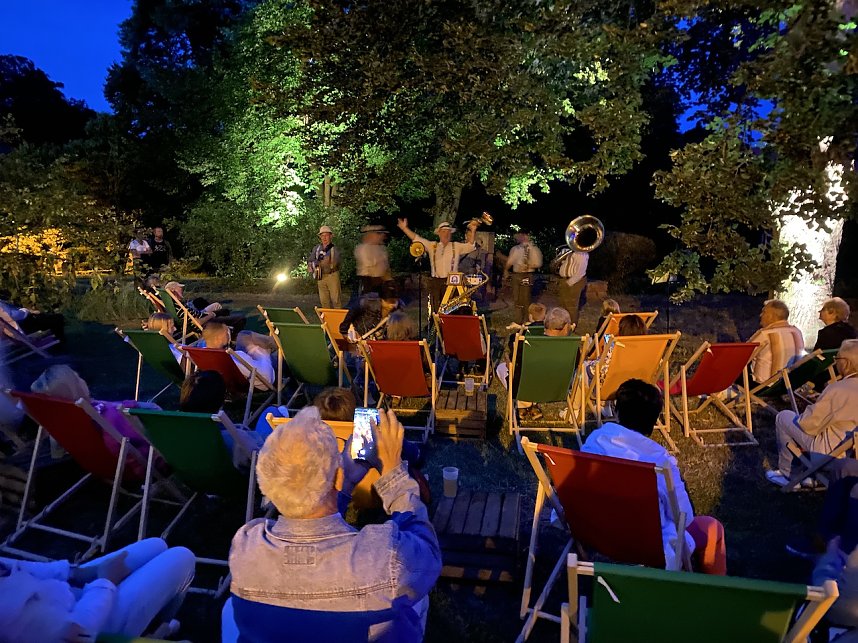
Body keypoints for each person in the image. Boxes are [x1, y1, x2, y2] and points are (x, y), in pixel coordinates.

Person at [226, 406, 441, 640]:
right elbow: (427, 550)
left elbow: (308, 514)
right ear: (336, 476)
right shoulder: (384, 558)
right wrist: (393, 475)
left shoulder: (245, 548)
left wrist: (345, 483)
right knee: (416, 596)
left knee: (229, 610)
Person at [582, 378, 727, 575]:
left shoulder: (593, 443)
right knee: (712, 527)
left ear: (617, 411)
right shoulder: (659, 462)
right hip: (645, 547)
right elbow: (684, 516)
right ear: (652, 422)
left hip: (595, 533)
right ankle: (713, 595)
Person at [0, 538, 194, 641]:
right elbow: (75, 635)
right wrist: (106, 580)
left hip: (65, 593)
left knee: (156, 545)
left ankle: (150, 616)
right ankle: (156, 630)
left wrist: (76, 572)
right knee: (183, 557)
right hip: (92, 628)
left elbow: (14, 567)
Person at [31, 365, 159, 474]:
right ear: (77, 388)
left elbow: (57, 453)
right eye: (77, 378)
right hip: (142, 467)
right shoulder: (109, 415)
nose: (82, 380)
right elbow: (143, 432)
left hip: (104, 469)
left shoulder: (64, 423)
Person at [766, 339, 858, 486]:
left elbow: (809, 425)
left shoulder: (838, 390)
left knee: (784, 417)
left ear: (846, 363)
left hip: (830, 456)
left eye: (837, 359)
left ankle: (788, 475)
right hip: (854, 457)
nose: (835, 363)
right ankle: (812, 477)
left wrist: (811, 410)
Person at [179, 370, 271, 464]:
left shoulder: (180, 437)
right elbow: (264, 463)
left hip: (209, 474)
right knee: (272, 411)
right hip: (257, 462)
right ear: (220, 402)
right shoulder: (235, 438)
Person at [397, 218, 478, 313]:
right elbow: (416, 238)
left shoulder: (456, 246)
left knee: (452, 308)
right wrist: (404, 228)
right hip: (436, 282)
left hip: (452, 283)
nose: (446, 234)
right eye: (443, 232)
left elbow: (470, 246)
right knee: (436, 307)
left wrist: (473, 230)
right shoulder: (432, 246)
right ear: (439, 233)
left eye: (448, 232)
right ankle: (436, 326)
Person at [200, 322, 275, 390]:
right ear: (218, 338)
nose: (229, 335)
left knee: (243, 335)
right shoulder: (234, 357)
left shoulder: (201, 354)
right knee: (249, 338)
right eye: (226, 333)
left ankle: (272, 342)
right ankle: (276, 342)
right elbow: (267, 377)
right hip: (262, 380)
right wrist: (263, 353)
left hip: (232, 380)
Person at [747, 299, 804, 385]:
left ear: (771, 316)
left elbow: (742, 357)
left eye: (764, 312)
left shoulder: (765, 334)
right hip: (791, 384)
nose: (761, 315)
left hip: (766, 386)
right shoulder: (796, 332)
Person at [164, 281, 246, 334]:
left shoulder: (172, 305)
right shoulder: (179, 308)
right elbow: (198, 322)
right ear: (173, 290)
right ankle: (231, 339)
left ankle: (225, 332)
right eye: (180, 288)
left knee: (223, 311)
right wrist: (211, 315)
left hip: (201, 317)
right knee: (240, 319)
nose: (182, 289)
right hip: (203, 323)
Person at [504, 232, 544, 324]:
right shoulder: (516, 249)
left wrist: (529, 265)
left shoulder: (534, 249)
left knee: (526, 298)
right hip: (516, 274)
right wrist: (506, 270)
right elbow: (510, 261)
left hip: (527, 274)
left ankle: (527, 319)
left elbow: (539, 263)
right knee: (516, 298)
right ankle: (518, 320)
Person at [0, 297, 65, 342]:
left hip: (10, 336)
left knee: (44, 317)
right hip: (21, 332)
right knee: (57, 318)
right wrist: (28, 311)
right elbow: (17, 315)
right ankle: (61, 344)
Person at [309, 225, 342, 309]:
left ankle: (338, 320)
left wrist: (328, 263)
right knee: (324, 301)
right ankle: (327, 321)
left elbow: (336, 262)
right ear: (320, 237)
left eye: (326, 235)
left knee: (336, 300)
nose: (324, 238)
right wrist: (310, 266)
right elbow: (310, 260)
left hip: (332, 275)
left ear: (330, 236)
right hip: (320, 276)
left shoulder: (334, 249)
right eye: (322, 235)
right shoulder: (316, 248)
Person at [555, 247, 588, 328]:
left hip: (574, 281)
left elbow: (580, 272)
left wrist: (569, 282)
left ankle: (571, 327)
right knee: (562, 304)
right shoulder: (567, 251)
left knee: (571, 306)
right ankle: (563, 325)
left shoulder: (582, 254)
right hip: (565, 279)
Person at [354, 224, 390, 296]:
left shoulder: (381, 248)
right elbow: (368, 263)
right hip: (368, 280)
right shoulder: (363, 248)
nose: (381, 237)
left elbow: (385, 264)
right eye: (378, 234)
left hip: (380, 280)